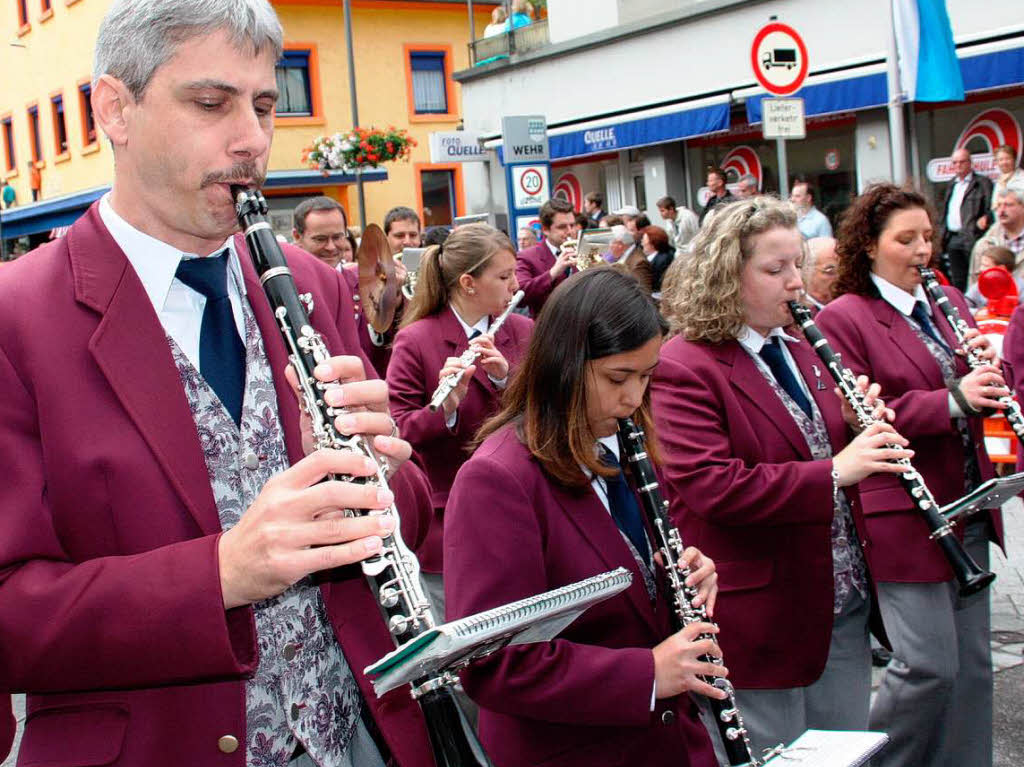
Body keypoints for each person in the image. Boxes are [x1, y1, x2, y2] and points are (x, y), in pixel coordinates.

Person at [0, 2, 438, 765]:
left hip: (360, 739)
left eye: (264, 105)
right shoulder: (18, 317)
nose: (254, 140)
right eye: (211, 103)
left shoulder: (310, 285)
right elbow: (11, 615)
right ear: (115, 109)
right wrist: (219, 574)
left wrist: (384, 478)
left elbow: (413, 518)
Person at [651, 195, 907, 758]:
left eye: (799, 265)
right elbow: (712, 485)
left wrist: (848, 423)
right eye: (775, 270)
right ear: (724, 276)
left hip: (837, 596)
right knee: (776, 752)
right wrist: (835, 470)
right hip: (757, 611)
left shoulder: (801, 346)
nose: (797, 282)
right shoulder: (683, 364)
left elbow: (804, 439)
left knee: (843, 750)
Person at [445, 267, 722, 767]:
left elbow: (625, 573)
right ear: (564, 365)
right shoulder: (498, 479)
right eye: (619, 377)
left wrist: (677, 575)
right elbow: (492, 662)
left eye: (646, 376)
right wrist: (649, 674)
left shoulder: (624, 441)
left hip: (664, 742)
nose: (635, 398)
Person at [817, 183, 1005, 767]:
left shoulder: (943, 297)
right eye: (906, 239)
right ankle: (883, 759)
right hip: (904, 509)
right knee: (928, 666)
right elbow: (862, 410)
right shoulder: (846, 316)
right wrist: (954, 398)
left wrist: (987, 373)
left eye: (928, 236)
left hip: (967, 497)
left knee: (973, 669)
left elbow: (973, 386)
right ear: (869, 246)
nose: (923, 249)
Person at [387, 223, 532, 616]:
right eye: (503, 276)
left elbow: (550, 411)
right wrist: (446, 407)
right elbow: (396, 430)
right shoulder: (416, 339)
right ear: (469, 283)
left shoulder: (523, 331)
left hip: (521, 510)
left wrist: (507, 379)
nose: (515, 285)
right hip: (449, 519)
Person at [939, 148, 994, 290]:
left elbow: (991, 209)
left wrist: (986, 219)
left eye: (962, 162)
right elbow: (945, 211)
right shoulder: (952, 184)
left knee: (976, 276)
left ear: (970, 163)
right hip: (953, 237)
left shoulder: (982, 183)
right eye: (955, 163)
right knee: (957, 278)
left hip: (972, 236)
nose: (958, 166)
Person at [515, 197, 576, 317]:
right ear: (546, 230)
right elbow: (519, 296)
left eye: (572, 225)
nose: (570, 231)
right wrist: (552, 273)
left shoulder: (582, 250)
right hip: (548, 330)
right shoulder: (527, 257)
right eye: (562, 227)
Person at [970, 182, 1024, 277]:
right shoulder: (985, 244)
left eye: (1008, 205)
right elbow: (974, 283)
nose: (1001, 210)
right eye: (998, 205)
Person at [292, 195, 349, 269]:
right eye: (320, 239)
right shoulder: (284, 280)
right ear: (297, 237)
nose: (331, 247)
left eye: (337, 237)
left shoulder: (358, 280)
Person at [801, 236, 839, 312]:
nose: (840, 277)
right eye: (831, 271)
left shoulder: (853, 306)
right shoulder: (795, 313)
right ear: (806, 270)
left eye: (844, 269)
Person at [638, 224, 674, 297]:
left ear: (652, 244)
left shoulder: (662, 261)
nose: (642, 243)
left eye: (644, 240)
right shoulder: (654, 257)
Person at [991, 144, 1024, 213]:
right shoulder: (999, 181)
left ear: (1014, 159)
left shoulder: (1022, 177)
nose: (1004, 162)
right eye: (1000, 160)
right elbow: (994, 206)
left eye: (1007, 158)